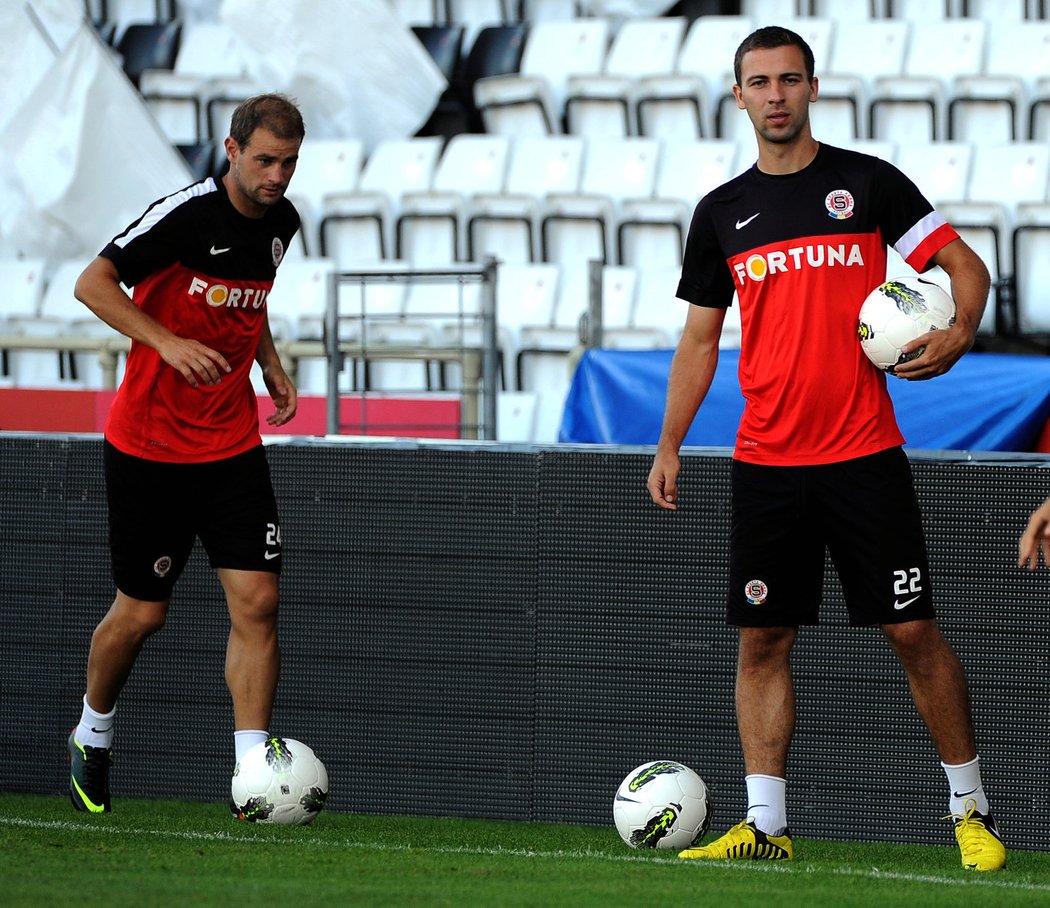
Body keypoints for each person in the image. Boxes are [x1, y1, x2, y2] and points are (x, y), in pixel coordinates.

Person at [645, 27, 1005, 872]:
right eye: (758, 82)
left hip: (864, 455)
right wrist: (668, 443)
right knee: (762, 642)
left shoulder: (867, 184)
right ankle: (765, 825)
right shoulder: (721, 213)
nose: (775, 95)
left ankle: (971, 811)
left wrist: (958, 330)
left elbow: (965, 265)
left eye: (789, 80)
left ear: (812, 87)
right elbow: (700, 342)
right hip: (765, 464)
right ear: (738, 97)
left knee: (913, 633)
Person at [67, 93, 304, 814]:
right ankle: (92, 734)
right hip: (149, 447)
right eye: (264, 159)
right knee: (142, 614)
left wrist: (268, 359)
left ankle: (251, 780)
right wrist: (163, 341)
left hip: (230, 443)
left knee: (259, 603)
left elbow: (248, 297)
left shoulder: (283, 223)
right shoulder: (183, 215)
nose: (276, 176)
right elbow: (92, 283)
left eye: (289, 163)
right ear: (230, 151)